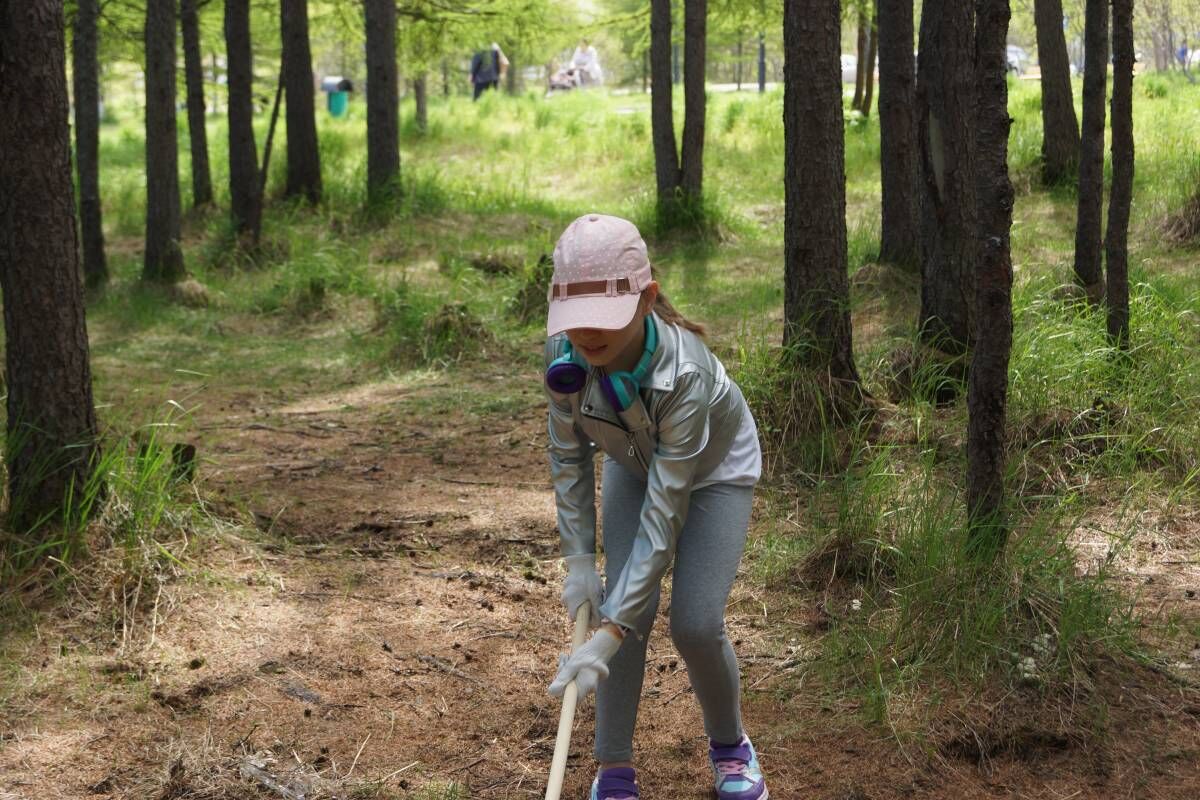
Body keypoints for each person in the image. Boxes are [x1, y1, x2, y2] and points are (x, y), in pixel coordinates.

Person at [543, 214, 769, 800]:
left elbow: (663, 516)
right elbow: (567, 457)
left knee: (693, 624)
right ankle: (612, 771)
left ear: (647, 299)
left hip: (712, 469)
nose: (586, 336)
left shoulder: (685, 375)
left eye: (604, 319)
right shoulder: (563, 358)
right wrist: (579, 562)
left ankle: (731, 748)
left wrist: (612, 629)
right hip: (636, 460)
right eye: (576, 322)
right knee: (624, 606)